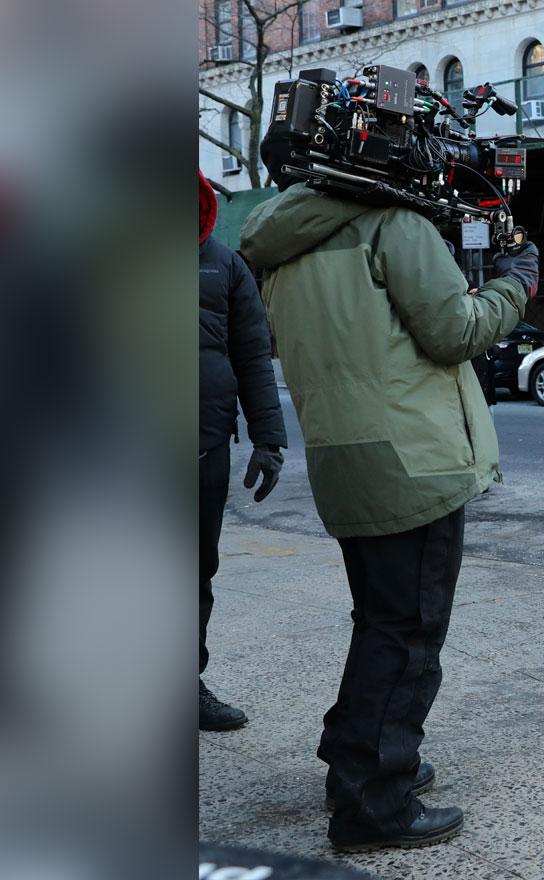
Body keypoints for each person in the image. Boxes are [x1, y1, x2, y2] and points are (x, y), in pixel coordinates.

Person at [239, 158, 538, 852]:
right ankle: (374, 803)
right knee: (407, 636)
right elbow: (455, 332)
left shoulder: (284, 235)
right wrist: (516, 282)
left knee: (379, 623)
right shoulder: (393, 225)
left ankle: (358, 762)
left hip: (347, 457)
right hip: (416, 459)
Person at [198, 170, 287, 730]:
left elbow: (254, 356)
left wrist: (269, 439)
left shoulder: (225, 264)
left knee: (194, 571)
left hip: (204, 450)